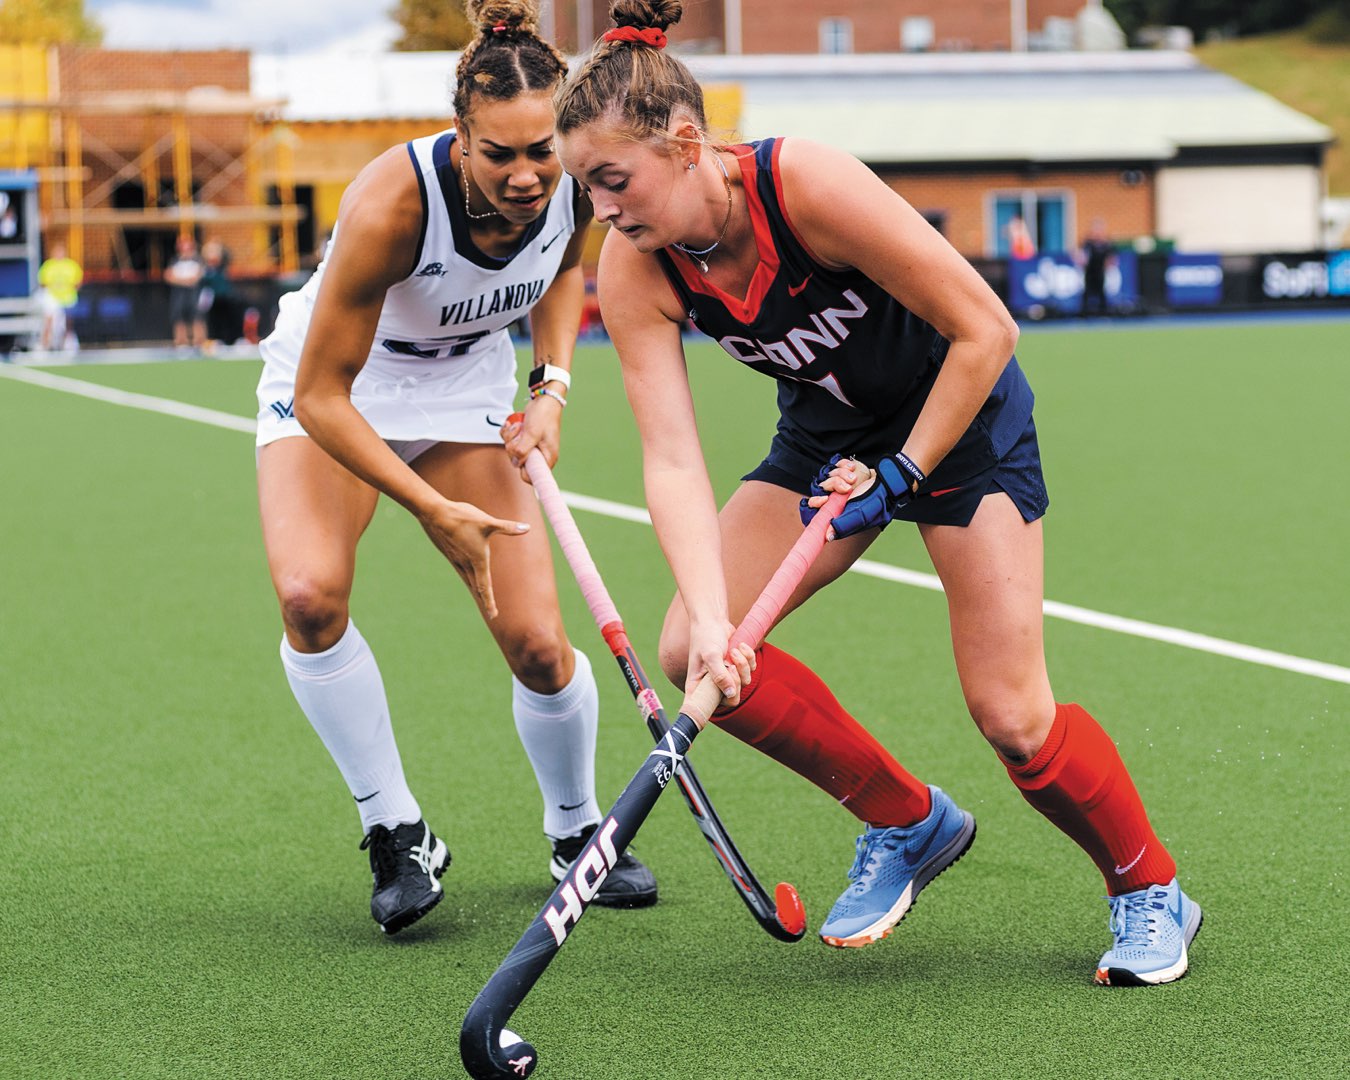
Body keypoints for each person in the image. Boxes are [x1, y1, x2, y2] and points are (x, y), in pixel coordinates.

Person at [551, 0, 1200, 987]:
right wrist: (721, 619)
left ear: (685, 144)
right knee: (696, 650)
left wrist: (901, 475)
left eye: (611, 180)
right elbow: (673, 458)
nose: (602, 209)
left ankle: (1150, 889)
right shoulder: (638, 266)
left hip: (962, 419)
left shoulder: (802, 185)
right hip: (826, 440)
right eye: (586, 190)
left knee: (1013, 716)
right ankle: (907, 823)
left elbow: (985, 329)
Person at [254, 0, 657, 936]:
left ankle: (576, 831)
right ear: (460, 137)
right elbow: (323, 397)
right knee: (311, 597)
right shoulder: (392, 204)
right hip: (339, 383)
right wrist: (431, 506)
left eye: (540, 152)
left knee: (540, 645)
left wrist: (551, 385)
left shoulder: (572, 178)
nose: (526, 176)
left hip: (467, 386)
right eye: (499, 155)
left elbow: (562, 272)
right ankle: (394, 827)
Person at [37, 240, 82, 353]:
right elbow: (42, 283)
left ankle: (68, 342)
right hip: (53, 297)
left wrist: (66, 290)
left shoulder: (71, 265)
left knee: (68, 320)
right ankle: (44, 344)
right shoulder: (48, 265)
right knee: (49, 319)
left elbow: (77, 282)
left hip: (67, 297)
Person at [165, 234, 205, 349]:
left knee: (197, 315)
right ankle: (181, 342)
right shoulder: (175, 260)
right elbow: (168, 276)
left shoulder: (197, 259)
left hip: (194, 292)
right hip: (179, 293)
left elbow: (197, 277)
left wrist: (181, 280)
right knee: (178, 316)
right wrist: (184, 281)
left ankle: (198, 341)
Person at [199, 238, 238, 353]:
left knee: (227, 320)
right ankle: (215, 341)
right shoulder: (206, 269)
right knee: (214, 321)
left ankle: (229, 341)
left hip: (225, 298)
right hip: (213, 300)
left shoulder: (223, 266)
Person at [1078, 218, 1115, 316]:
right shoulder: (1088, 243)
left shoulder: (1106, 244)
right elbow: (1082, 256)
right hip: (1089, 271)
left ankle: (1103, 314)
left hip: (1100, 271)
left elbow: (1111, 258)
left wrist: (1108, 265)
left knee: (1101, 292)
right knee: (1087, 292)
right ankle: (1084, 314)